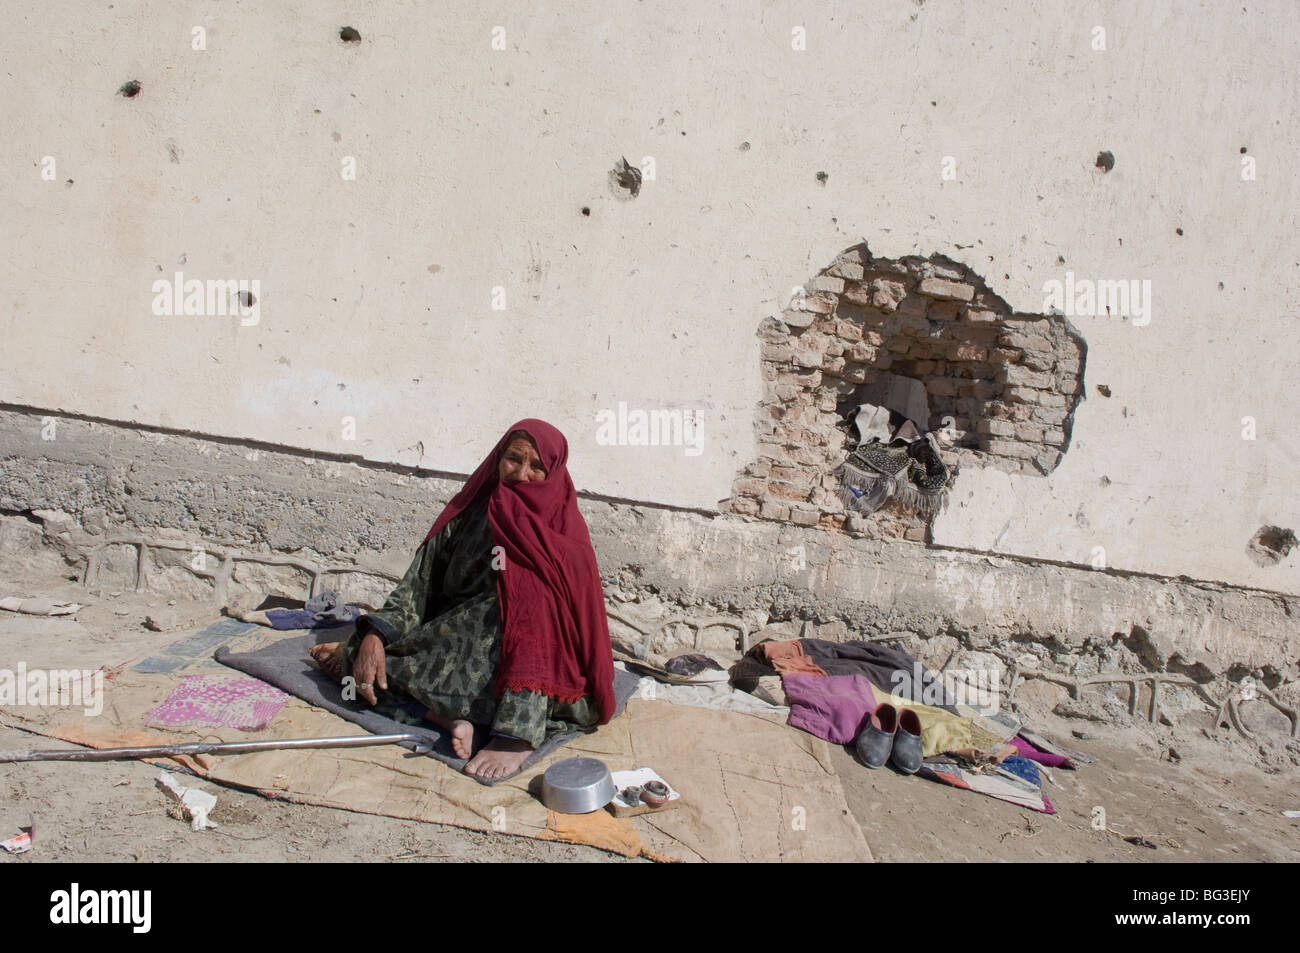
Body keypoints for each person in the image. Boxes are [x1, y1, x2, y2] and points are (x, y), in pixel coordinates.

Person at [310, 419, 616, 779]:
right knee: (358, 666)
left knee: (532, 602)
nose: (521, 474)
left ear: (554, 472)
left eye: (537, 466)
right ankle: (445, 716)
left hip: (535, 666)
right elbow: (417, 586)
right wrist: (377, 636)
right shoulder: (471, 511)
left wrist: (516, 732)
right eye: (513, 459)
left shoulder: (565, 531)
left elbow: (573, 621)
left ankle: (514, 735)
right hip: (456, 646)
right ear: (497, 458)